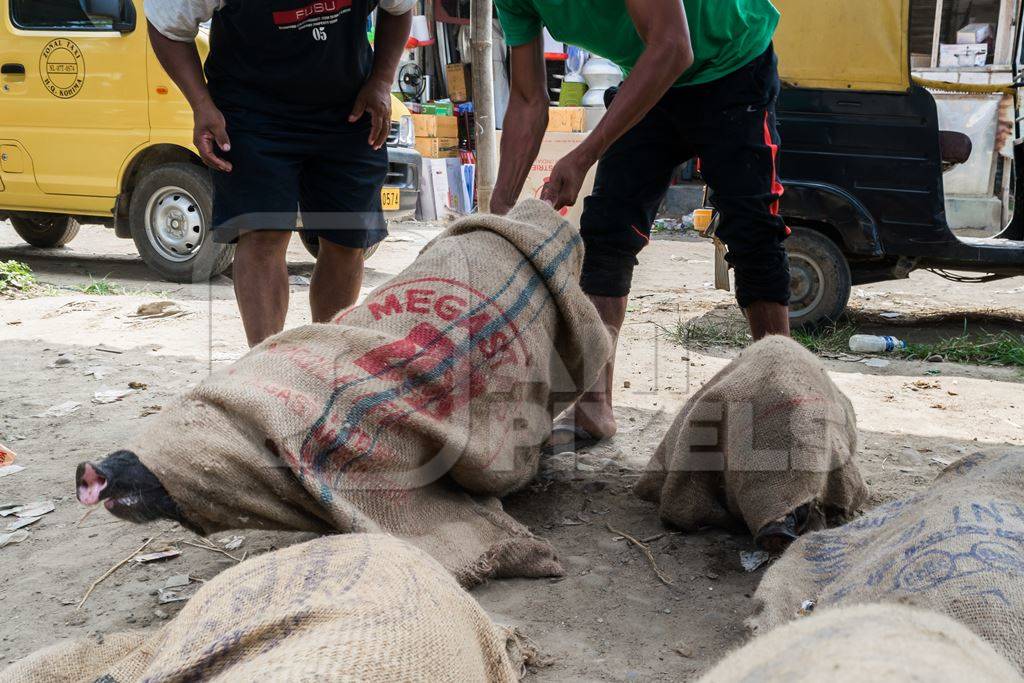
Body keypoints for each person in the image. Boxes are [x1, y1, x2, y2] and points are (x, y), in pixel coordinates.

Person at [491, 0, 790, 448]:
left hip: (731, 62)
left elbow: (674, 46)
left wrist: (584, 153)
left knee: (752, 230)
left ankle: (779, 406)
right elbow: (529, 99)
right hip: (648, 70)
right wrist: (497, 214)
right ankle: (593, 410)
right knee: (607, 229)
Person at [146, 0, 413, 346]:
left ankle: (324, 360)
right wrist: (201, 105)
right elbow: (165, 26)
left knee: (347, 238)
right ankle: (266, 368)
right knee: (263, 232)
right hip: (253, 111)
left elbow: (400, 8)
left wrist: (381, 81)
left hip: (347, 109)